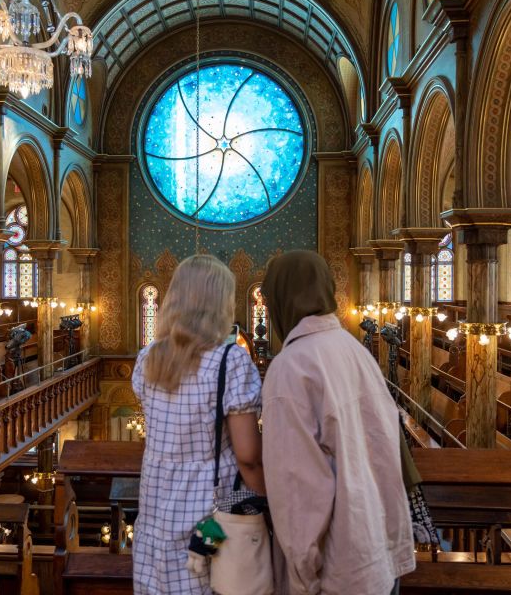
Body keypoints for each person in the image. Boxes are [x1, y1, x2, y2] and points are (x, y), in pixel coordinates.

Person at [260, 250, 415, 595]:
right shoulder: (354, 350)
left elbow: (298, 488)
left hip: (339, 570)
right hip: (381, 557)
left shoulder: (291, 368)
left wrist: (303, 577)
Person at [132, 254, 265, 594]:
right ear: (220, 303)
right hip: (209, 512)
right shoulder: (230, 360)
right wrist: (272, 498)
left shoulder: (148, 358)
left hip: (154, 505)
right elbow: (248, 455)